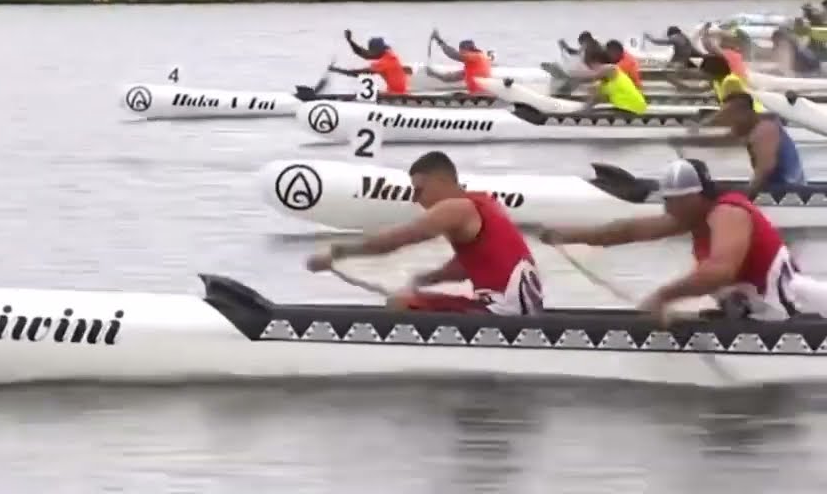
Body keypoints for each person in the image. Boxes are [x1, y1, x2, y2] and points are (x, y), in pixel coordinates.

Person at [539, 159, 822, 322]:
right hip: (762, 310)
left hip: (796, 311)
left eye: (676, 201)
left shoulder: (729, 213)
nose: (668, 209)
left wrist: (663, 297)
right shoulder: (693, 215)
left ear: (698, 197)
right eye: (666, 201)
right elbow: (628, 231)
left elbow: (719, 271)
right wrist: (568, 235)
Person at [305, 150, 544, 314]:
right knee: (411, 298)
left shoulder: (456, 208)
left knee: (399, 304)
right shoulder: (484, 204)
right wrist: (426, 279)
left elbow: (396, 240)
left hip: (502, 312)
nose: (416, 199)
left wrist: (337, 252)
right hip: (520, 308)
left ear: (440, 181)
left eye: (419, 190)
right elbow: (465, 267)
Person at [716, 92, 806, 195]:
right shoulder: (752, 126)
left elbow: (766, 168)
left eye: (731, 114)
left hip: (786, 190)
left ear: (745, 112)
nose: (729, 120)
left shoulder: (764, 130)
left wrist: (747, 194)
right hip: (780, 186)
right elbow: (729, 136)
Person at [569, 48, 648, 114]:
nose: (590, 69)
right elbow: (595, 100)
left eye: (589, 66)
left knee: (597, 110)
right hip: (628, 108)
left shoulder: (611, 69)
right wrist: (582, 110)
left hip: (632, 109)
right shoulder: (603, 83)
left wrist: (571, 75)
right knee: (595, 110)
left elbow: (592, 75)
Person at [331, 30, 411, 94]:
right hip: (394, 92)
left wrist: (336, 70)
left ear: (377, 50)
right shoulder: (388, 54)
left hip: (396, 96)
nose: (370, 53)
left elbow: (358, 74)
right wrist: (350, 41)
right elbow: (364, 54)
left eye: (372, 51)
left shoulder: (385, 62)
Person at [426, 30, 493, 95]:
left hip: (481, 95)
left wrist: (439, 40)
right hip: (479, 94)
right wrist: (434, 74)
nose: (461, 53)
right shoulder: (474, 64)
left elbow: (453, 54)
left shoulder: (477, 57)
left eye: (461, 51)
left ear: (467, 49)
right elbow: (450, 78)